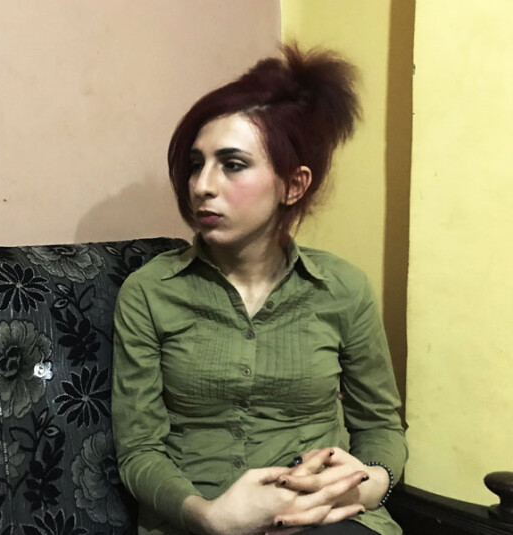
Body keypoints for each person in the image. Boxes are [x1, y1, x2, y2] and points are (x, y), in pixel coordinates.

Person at [112, 45, 407, 535]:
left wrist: (371, 482)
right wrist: (208, 516)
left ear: (294, 185)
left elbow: (379, 424)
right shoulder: (149, 293)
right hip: (200, 521)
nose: (201, 185)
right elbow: (139, 450)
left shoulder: (343, 288)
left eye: (232, 164)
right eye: (195, 164)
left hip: (329, 520)